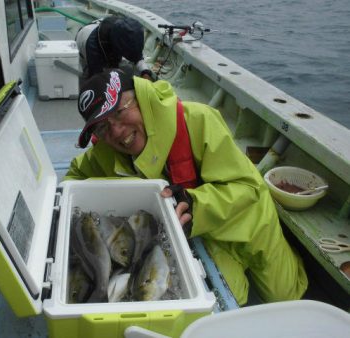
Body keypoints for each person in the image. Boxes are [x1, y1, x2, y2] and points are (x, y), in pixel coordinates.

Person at [64, 69, 308, 305]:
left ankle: (290, 254)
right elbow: (73, 178)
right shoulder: (106, 154)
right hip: (202, 237)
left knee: (286, 296)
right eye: (102, 127)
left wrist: (195, 203)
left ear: (140, 97)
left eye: (119, 112)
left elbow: (248, 188)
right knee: (231, 296)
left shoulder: (199, 120)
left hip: (249, 224)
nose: (116, 131)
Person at [75, 15, 155, 81]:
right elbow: (97, 78)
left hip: (104, 29)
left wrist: (145, 72)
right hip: (84, 37)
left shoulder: (127, 33)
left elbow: (137, 56)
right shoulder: (93, 47)